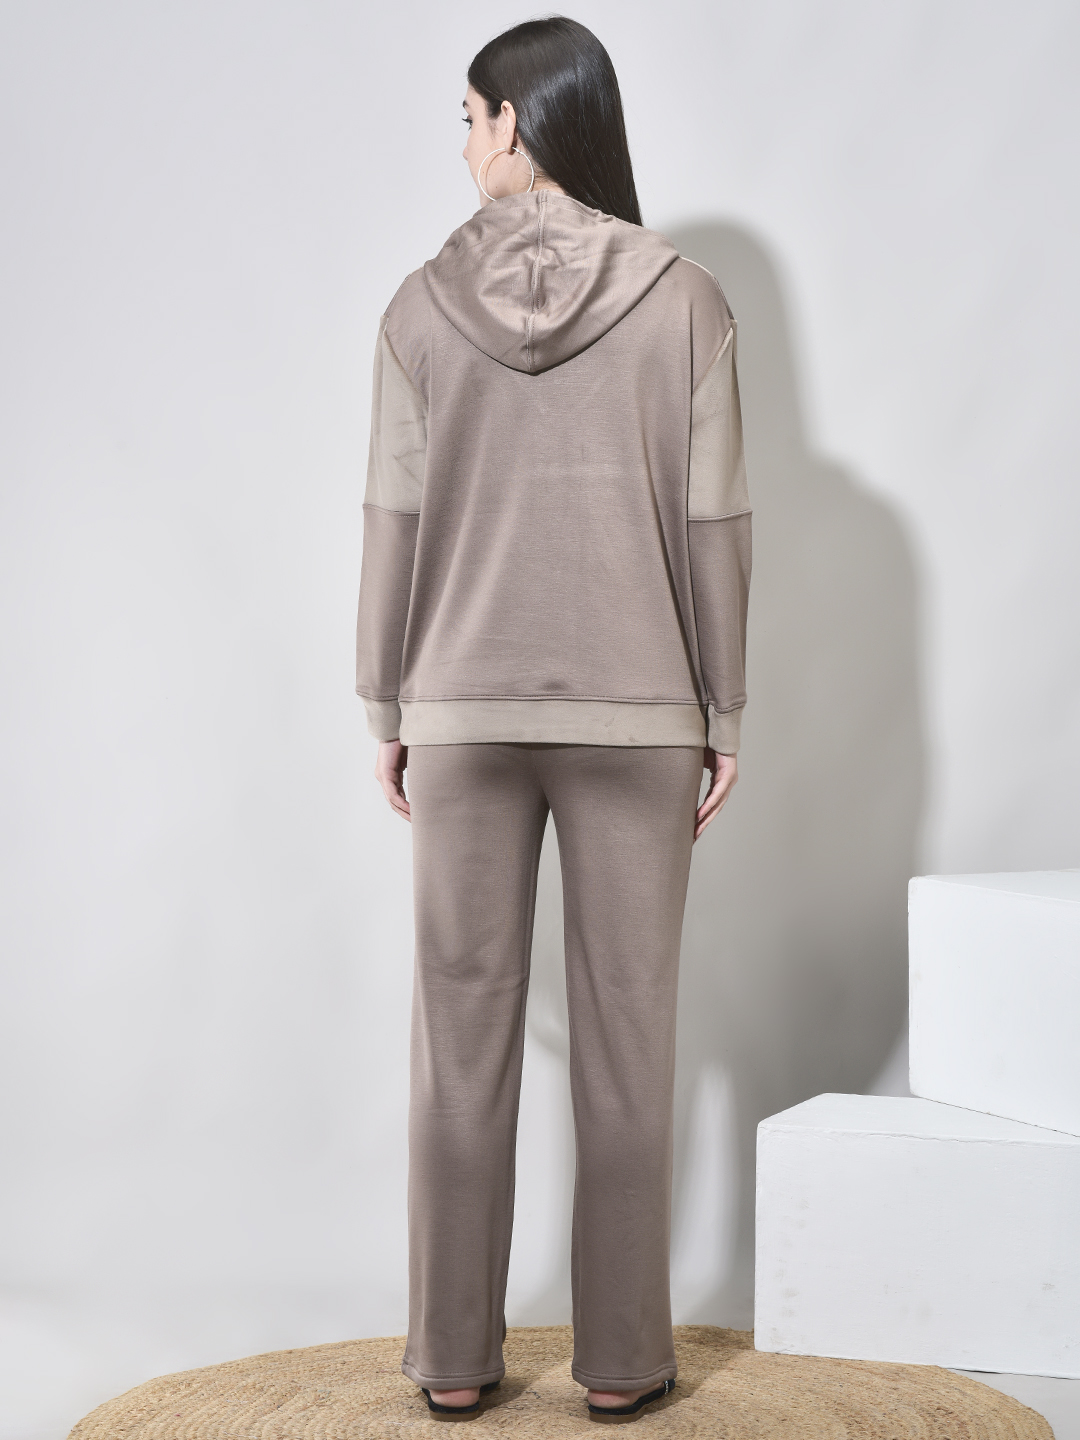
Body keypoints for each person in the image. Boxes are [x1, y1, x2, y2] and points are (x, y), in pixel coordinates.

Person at [355, 15, 751, 1424]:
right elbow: (715, 524)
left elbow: (392, 522)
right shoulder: (686, 301)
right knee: (630, 1043)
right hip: (642, 714)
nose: (465, 144)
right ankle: (626, 1366)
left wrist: (386, 700)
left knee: (459, 1042)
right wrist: (723, 707)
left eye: (469, 119)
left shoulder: (417, 310)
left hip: (460, 708)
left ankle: (454, 1363)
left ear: (516, 122)